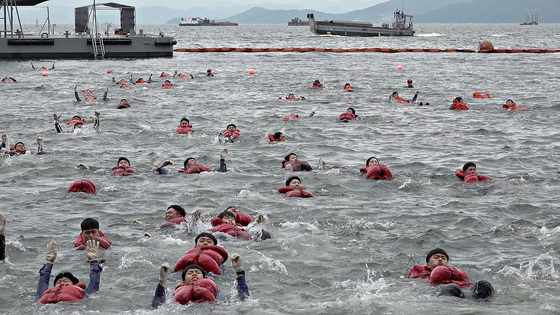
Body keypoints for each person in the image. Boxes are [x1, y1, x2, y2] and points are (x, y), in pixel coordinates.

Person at [152, 253, 249, 307]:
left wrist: (239, 271)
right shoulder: (176, 296)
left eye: (198, 272)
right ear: (184, 281)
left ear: (205, 278)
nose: (194, 273)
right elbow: (157, 305)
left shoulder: (217, 294)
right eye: (190, 273)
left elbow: (243, 299)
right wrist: (162, 281)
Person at [408, 248, 494, 300]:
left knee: (484, 284)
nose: (440, 259)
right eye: (436, 257)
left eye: (443, 258)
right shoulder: (422, 276)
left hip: (465, 291)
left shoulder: (454, 273)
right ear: (428, 264)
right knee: (452, 287)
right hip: (442, 290)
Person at [36, 240, 102, 304]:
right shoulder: (45, 294)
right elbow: (43, 281)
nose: (62, 283)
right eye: (58, 282)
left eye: (65, 281)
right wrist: (49, 262)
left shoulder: (84, 294)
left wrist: (93, 261)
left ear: (73, 284)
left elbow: (94, 281)